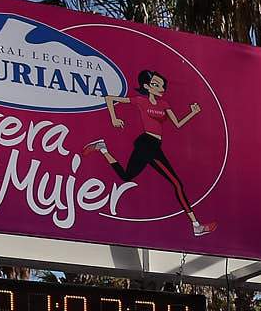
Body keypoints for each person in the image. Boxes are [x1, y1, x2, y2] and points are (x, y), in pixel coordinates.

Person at [86, 68, 215, 236]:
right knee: (176, 183)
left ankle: (102, 148)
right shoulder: (141, 101)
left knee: (126, 176)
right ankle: (196, 225)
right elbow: (109, 98)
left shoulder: (164, 104)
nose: (160, 88)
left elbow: (177, 124)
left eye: (161, 85)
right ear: (147, 86)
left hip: (154, 145)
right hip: (147, 143)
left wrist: (192, 113)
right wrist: (114, 118)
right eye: (155, 84)